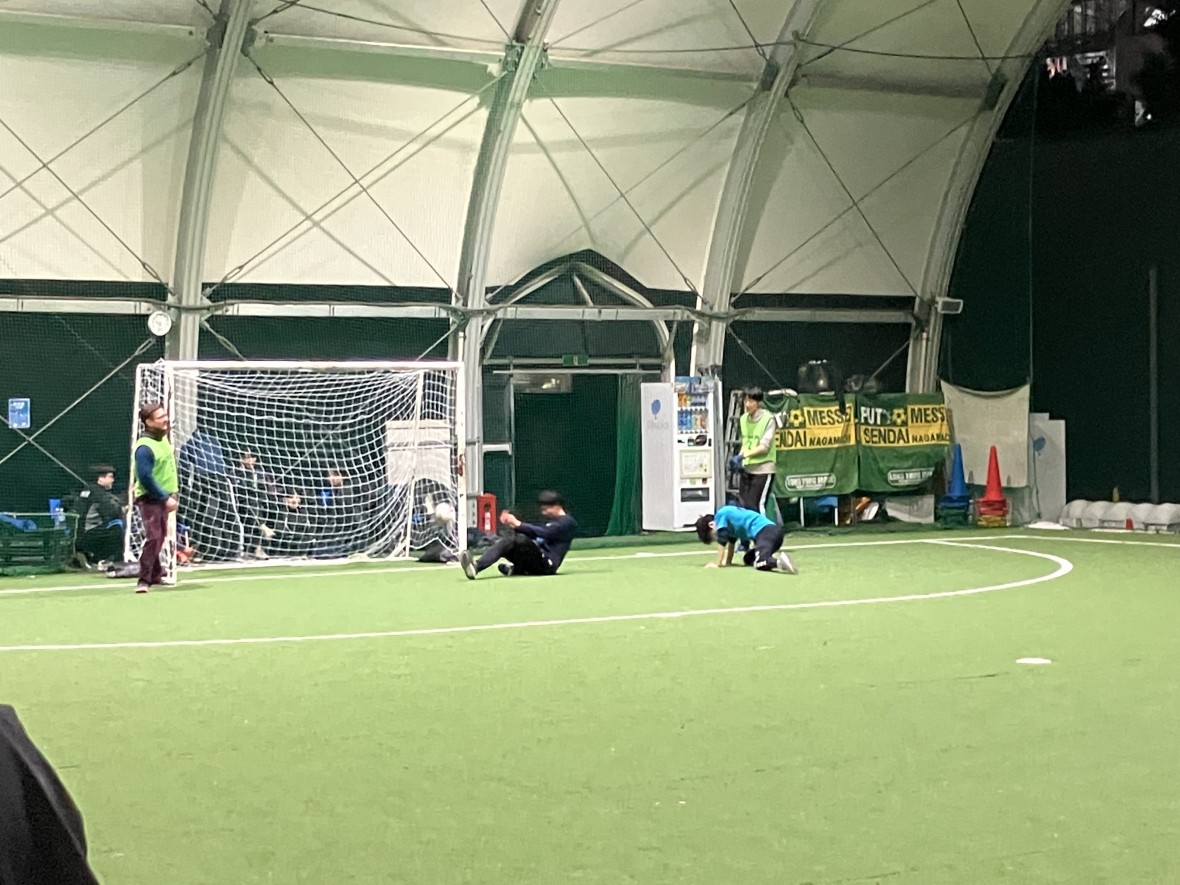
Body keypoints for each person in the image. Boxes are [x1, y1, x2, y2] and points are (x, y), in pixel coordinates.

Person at [459, 490, 577, 579]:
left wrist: (518, 524)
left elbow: (545, 533)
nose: (544, 513)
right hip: (536, 558)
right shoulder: (551, 521)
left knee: (519, 540)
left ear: (557, 506)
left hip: (547, 565)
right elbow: (534, 533)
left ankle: (518, 569)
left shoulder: (567, 522)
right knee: (508, 542)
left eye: (546, 509)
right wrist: (512, 524)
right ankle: (476, 567)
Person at [131, 402, 178, 593]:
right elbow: (145, 477)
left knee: (159, 536)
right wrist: (164, 497)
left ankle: (156, 574)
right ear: (148, 422)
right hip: (151, 497)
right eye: (160, 417)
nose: (165, 419)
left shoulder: (162, 438)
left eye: (165, 415)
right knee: (154, 537)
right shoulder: (144, 447)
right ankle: (144, 580)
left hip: (163, 495)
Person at [695, 505, 797, 574]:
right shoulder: (729, 523)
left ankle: (779, 562)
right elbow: (731, 542)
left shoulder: (720, 515)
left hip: (766, 532)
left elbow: (722, 539)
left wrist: (717, 563)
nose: (717, 536)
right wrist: (728, 562)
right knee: (748, 558)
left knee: (760, 562)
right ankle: (766, 558)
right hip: (769, 535)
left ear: (711, 525)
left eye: (714, 535)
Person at [734, 387, 777, 515]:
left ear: (758, 402)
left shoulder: (768, 419)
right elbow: (746, 442)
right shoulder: (743, 419)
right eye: (745, 401)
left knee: (757, 505)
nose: (747, 404)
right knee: (745, 506)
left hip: (764, 468)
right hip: (748, 468)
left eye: (751, 401)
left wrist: (743, 456)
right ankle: (747, 529)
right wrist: (739, 458)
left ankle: (763, 528)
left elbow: (764, 446)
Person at [73, 465, 126, 567]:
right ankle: (108, 560)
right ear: (101, 478)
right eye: (110, 477)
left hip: (81, 535)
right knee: (118, 525)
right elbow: (113, 513)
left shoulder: (89, 490)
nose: (113, 480)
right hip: (88, 535)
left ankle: (93, 558)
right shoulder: (98, 494)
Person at [230, 449, 278, 559]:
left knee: (263, 507)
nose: (250, 460)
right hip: (242, 503)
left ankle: (259, 544)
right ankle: (262, 528)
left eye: (252, 457)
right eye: (246, 457)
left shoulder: (260, 473)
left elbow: (267, 489)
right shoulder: (235, 473)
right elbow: (239, 491)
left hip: (259, 502)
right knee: (250, 505)